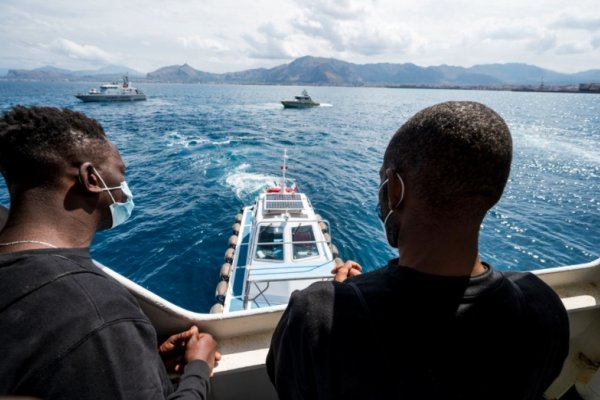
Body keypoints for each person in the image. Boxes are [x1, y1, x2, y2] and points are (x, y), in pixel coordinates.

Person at [266, 101, 569, 400]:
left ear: (395, 189)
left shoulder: (315, 319)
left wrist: (337, 298)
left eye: (382, 181)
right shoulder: (542, 308)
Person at [0, 106, 220, 399]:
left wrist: (141, 359)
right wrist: (198, 368)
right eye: (121, 173)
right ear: (91, 178)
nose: (124, 190)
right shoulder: (97, 311)